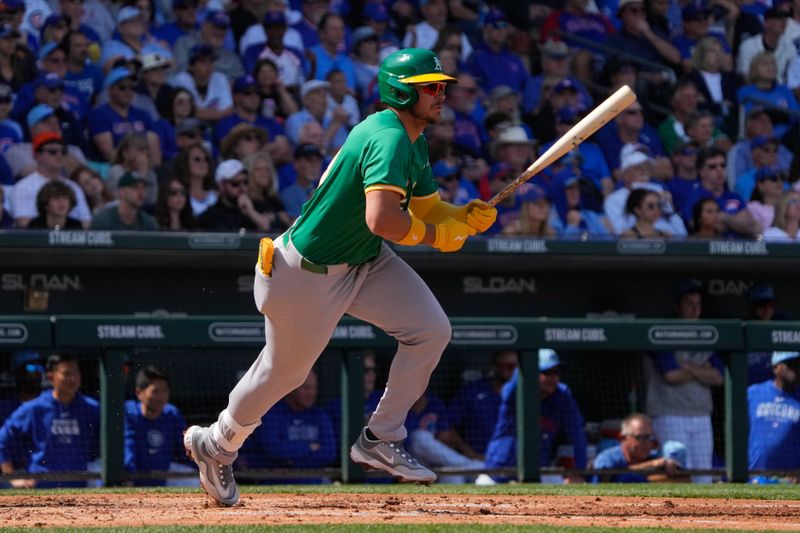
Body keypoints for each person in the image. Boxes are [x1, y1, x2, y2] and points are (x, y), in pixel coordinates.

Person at [183, 48, 497, 505]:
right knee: (283, 374)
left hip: (363, 261)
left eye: (442, 85)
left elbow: (427, 207)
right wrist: (437, 237)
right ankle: (217, 444)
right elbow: (383, 220)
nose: (441, 93)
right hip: (305, 273)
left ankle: (381, 437)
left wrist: (461, 215)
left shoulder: (413, 138)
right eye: (430, 86)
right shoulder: (388, 137)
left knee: (431, 330)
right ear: (401, 92)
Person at [645, 279, 724, 483]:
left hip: (701, 415)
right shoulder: (662, 331)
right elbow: (671, 375)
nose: (695, 309)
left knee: (703, 476)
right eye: (689, 303)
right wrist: (701, 369)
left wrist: (686, 366)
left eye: (698, 303)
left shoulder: (707, 335)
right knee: (675, 472)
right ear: (677, 306)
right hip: (669, 414)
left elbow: (718, 377)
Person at [484, 349, 588, 483]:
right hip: (500, 470)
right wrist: (525, 367)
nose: (553, 378)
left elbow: (578, 436)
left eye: (556, 372)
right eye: (547, 373)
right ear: (532, 372)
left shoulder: (563, 397)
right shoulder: (514, 392)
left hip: (539, 471)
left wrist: (580, 472)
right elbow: (512, 385)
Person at [0, 353, 99, 488]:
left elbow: (111, 443)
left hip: (81, 489)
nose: (73, 378)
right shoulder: (34, 408)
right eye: (66, 373)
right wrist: (13, 478)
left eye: (76, 373)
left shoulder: (91, 408)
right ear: (51, 377)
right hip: (40, 490)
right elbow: (2, 440)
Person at [238, 368, 336, 484]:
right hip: (275, 482)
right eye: (306, 388)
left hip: (315, 482)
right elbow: (274, 451)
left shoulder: (320, 416)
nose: (311, 393)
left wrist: (290, 462)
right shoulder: (271, 414)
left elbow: (329, 453)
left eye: (313, 388)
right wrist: (310, 447)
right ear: (291, 389)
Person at [125, 366, 191, 486]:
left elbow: (185, 450)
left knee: (193, 480)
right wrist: (128, 477)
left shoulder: (172, 413)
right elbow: (128, 450)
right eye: (155, 391)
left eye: (165, 391)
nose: (161, 397)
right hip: (129, 477)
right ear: (139, 393)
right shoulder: (128, 412)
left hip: (165, 475)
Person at [11, 131, 91, 229]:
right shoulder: (23, 186)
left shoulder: (73, 186)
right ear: (37, 156)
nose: (59, 155)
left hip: (71, 241)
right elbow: (24, 224)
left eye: (63, 152)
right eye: (52, 152)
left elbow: (86, 223)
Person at [405, 389, 486, 483]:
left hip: (434, 459)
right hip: (408, 458)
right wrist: (415, 411)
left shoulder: (433, 401)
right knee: (420, 436)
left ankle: (471, 471)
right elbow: (402, 437)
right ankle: (473, 466)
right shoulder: (395, 401)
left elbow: (445, 434)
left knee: (454, 475)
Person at [449, 349, 519, 457]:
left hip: (513, 461)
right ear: (495, 367)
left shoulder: (524, 394)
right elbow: (449, 428)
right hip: (474, 462)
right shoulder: (472, 391)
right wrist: (472, 454)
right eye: (507, 366)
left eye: (515, 366)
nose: (512, 371)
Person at [88, 67, 160, 166]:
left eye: (132, 88)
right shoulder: (99, 114)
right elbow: (109, 154)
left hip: (145, 167)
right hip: (115, 169)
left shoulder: (143, 114)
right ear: (110, 90)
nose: (128, 91)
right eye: (122, 87)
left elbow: (154, 148)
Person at [682, 147, 759, 239]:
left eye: (723, 165)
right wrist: (736, 222)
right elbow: (701, 229)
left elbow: (751, 226)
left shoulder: (734, 197)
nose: (719, 169)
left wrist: (725, 218)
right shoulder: (693, 198)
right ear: (701, 172)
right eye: (712, 167)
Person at [593, 413, 688, 483]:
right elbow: (605, 479)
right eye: (641, 438)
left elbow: (684, 480)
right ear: (623, 438)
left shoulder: (656, 457)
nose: (647, 443)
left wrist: (668, 465)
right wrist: (651, 465)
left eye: (650, 438)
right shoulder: (608, 457)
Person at [748, 351, 800, 480]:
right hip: (754, 476)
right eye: (790, 364)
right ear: (776, 367)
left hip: (789, 479)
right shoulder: (753, 393)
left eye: (798, 364)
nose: (795, 369)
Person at [197, 159, 261, 231]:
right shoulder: (209, 217)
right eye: (235, 183)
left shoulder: (257, 208)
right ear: (221, 185)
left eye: (245, 182)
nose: (242, 188)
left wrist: (251, 213)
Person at [90, 172, 158, 231]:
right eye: (135, 187)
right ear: (121, 192)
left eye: (143, 188)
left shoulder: (147, 223)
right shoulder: (103, 221)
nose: (141, 192)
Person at [280, 143, 322, 220]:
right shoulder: (288, 194)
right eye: (309, 160)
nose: (314, 165)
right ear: (296, 164)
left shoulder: (324, 191)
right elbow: (297, 225)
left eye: (318, 160)